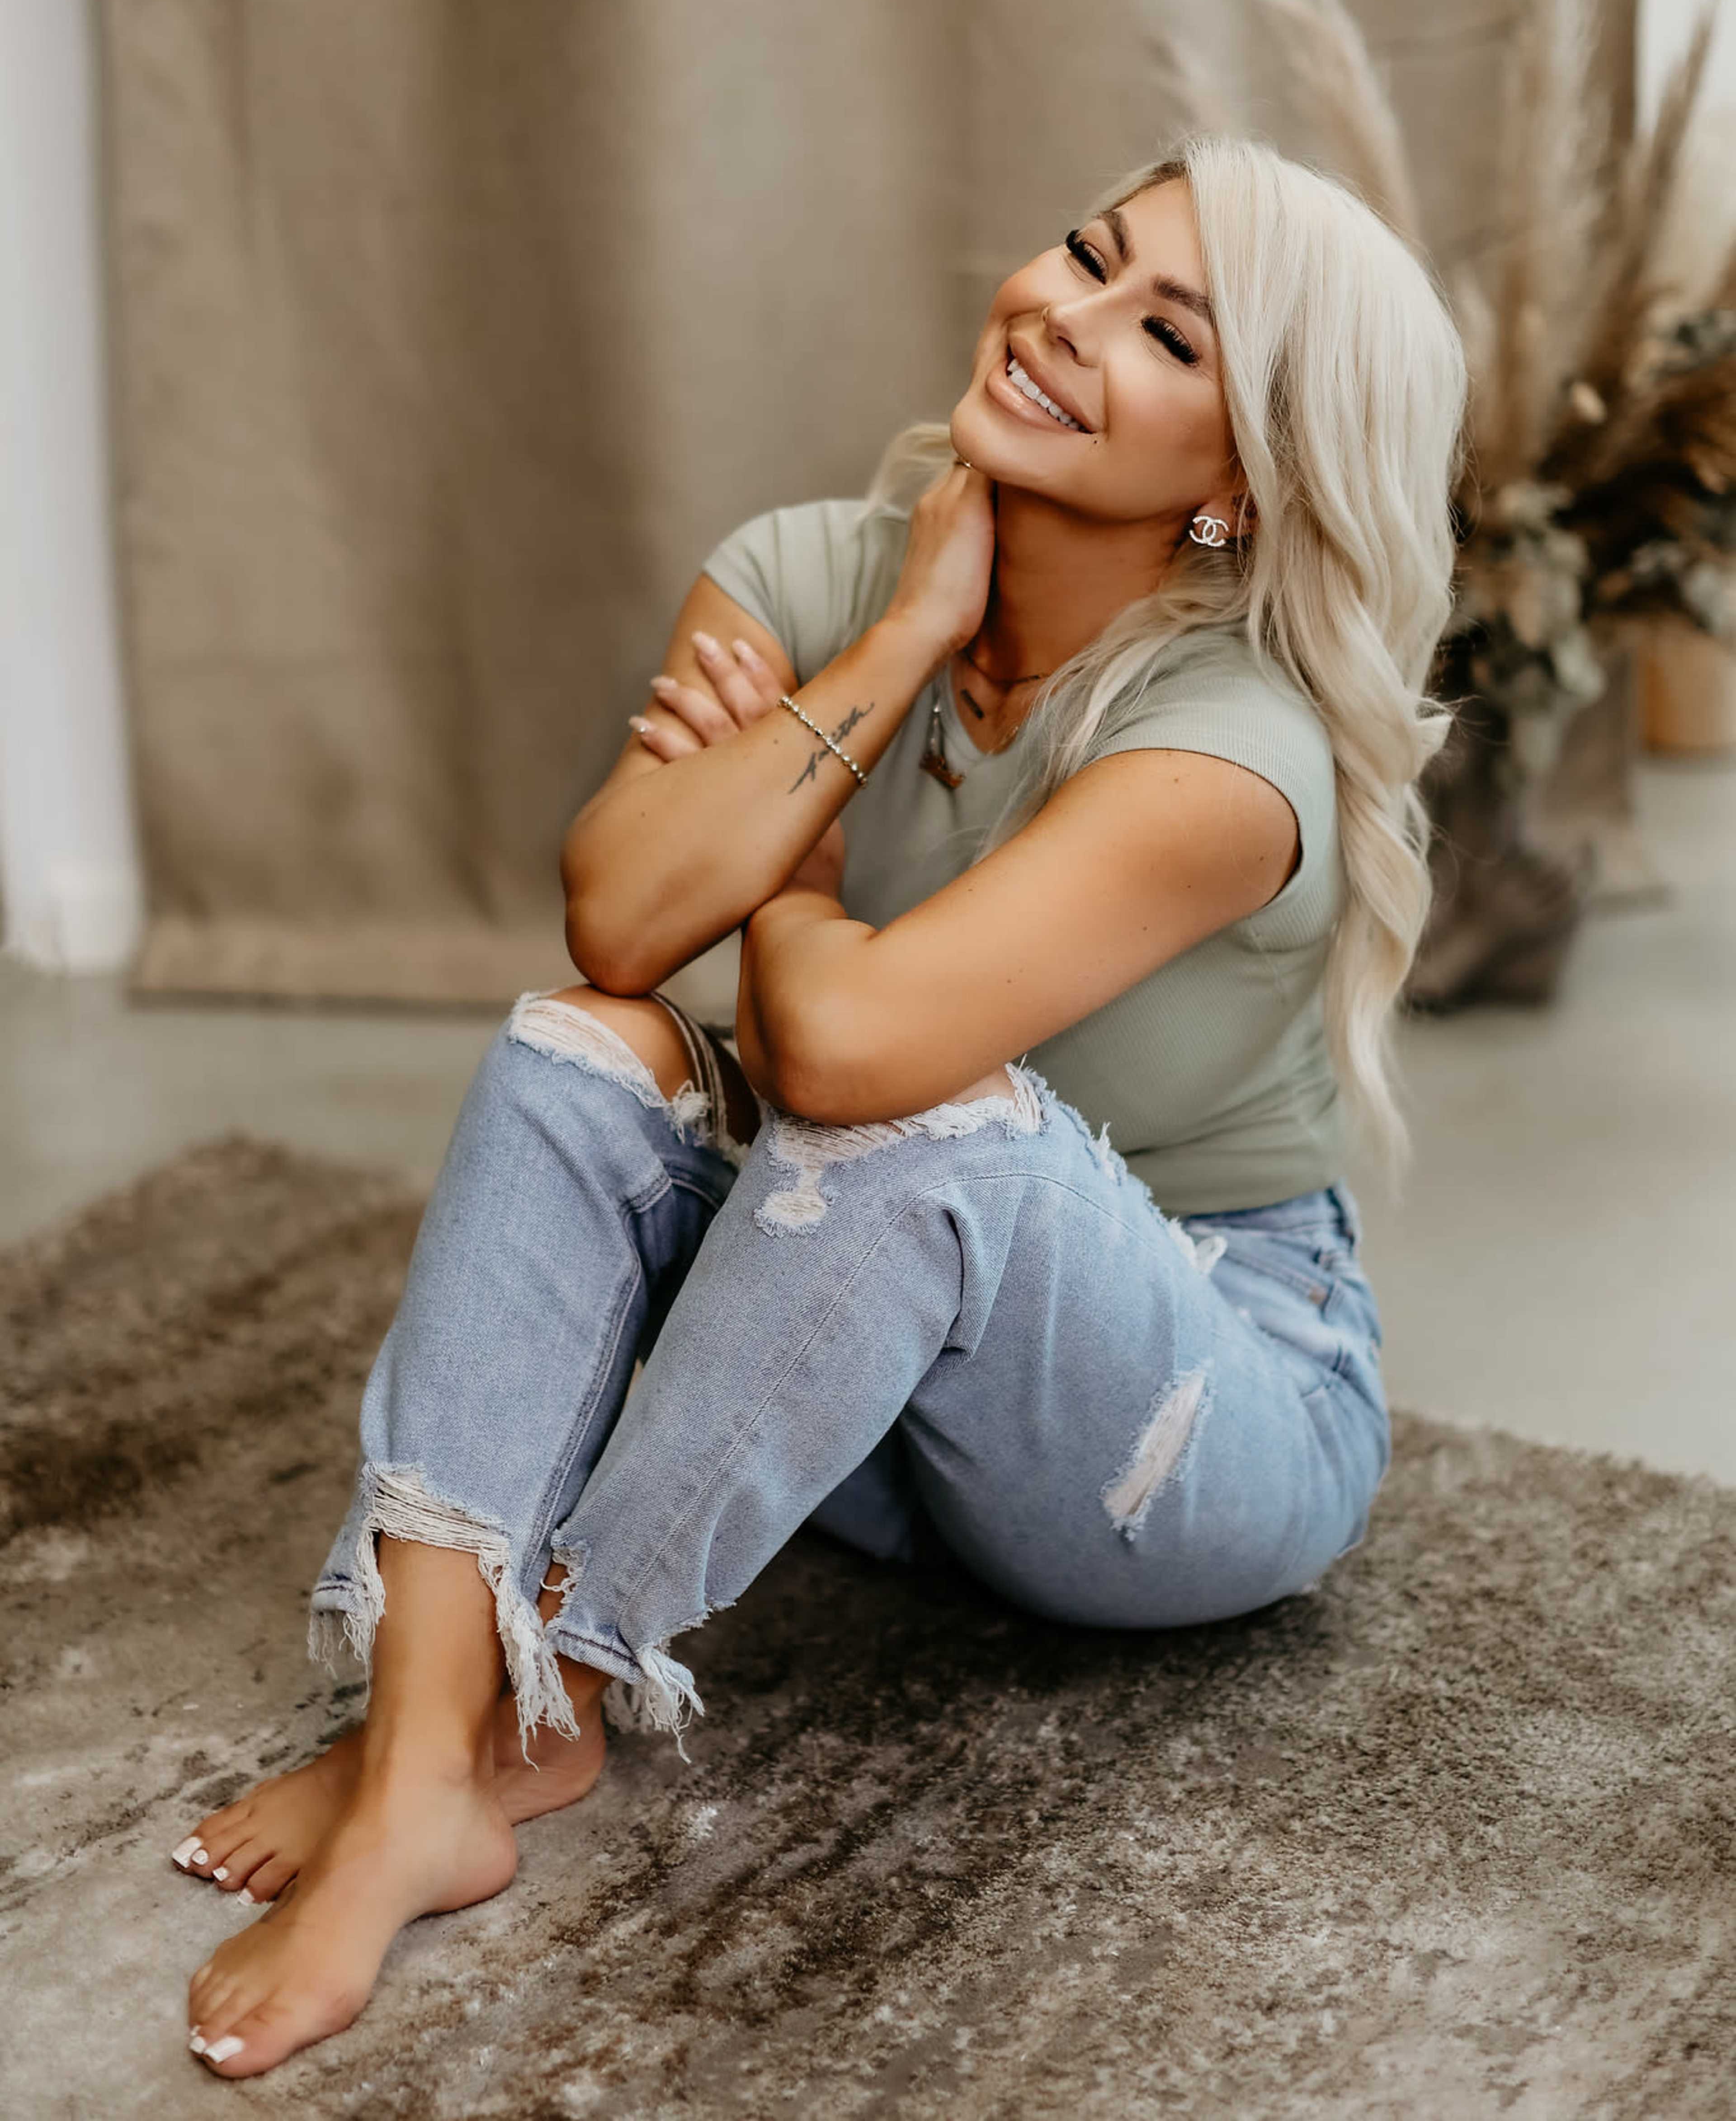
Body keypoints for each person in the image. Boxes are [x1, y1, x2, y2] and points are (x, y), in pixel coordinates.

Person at [170, 135, 1467, 2077]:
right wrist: (896, 647)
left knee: (915, 1113)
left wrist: (788, 855)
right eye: (1088, 256)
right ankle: (430, 1754)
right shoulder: (813, 574)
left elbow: (853, 1056)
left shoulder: (1232, 750)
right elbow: (622, 923)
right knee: (582, 1049)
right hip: (875, 1349)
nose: (1069, 316)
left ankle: (553, 1685)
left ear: (1244, 479)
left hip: (1188, 1421)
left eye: (1169, 334)